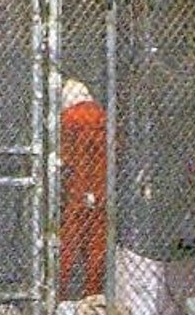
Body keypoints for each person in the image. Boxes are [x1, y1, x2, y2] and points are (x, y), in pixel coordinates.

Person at [58, 79, 108, 301]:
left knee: (68, 245)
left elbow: (65, 157)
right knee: (96, 247)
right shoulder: (104, 117)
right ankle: (93, 294)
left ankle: (59, 295)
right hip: (101, 189)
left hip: (77, 190)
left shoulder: (68, 118)